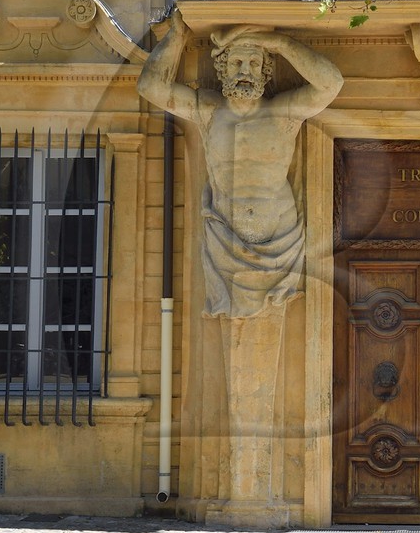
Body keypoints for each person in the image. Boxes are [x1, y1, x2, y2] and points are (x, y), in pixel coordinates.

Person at [137, 16, 343, 318]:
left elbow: (331, 83)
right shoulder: (208, 111)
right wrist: (177, 35)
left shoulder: (283, 113)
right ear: (223, 68)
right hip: (225, 241)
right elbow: (150, 86)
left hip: (280, 242)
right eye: (236, 63)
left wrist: (278, 42)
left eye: (254, 63)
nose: (245, 71)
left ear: (264, 70)